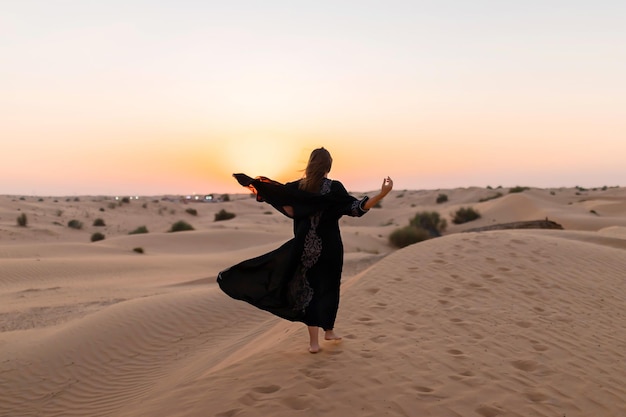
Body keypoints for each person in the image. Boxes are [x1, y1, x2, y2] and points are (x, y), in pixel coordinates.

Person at [217, 147, 393, 353]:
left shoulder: (297, 188)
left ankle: (314, 343)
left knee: (308, 289)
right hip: (330, 248)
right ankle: (329, 330)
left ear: (310, 164)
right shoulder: (334, 189)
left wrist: (255, 185)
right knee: (329, 286)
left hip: (305, 247)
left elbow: (284, 203)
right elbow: (356, 208)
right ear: (328, 166)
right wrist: (382, 193)